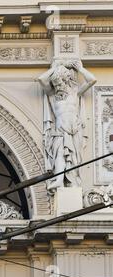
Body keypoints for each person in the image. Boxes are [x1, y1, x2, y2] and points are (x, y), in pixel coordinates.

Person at [38, 60, 96, 191]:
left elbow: (92, 80)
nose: (59, 83)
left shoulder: (75, 93)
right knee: (60, 152)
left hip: (74, 129)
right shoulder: (53, 95)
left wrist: (80, 69)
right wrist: (55, 67)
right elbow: (41, 79)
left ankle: (72, 180)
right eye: (56, 81)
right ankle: (59, 179)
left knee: (73, 157)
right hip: (60, 129)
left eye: (61, 79)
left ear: (67, 79)